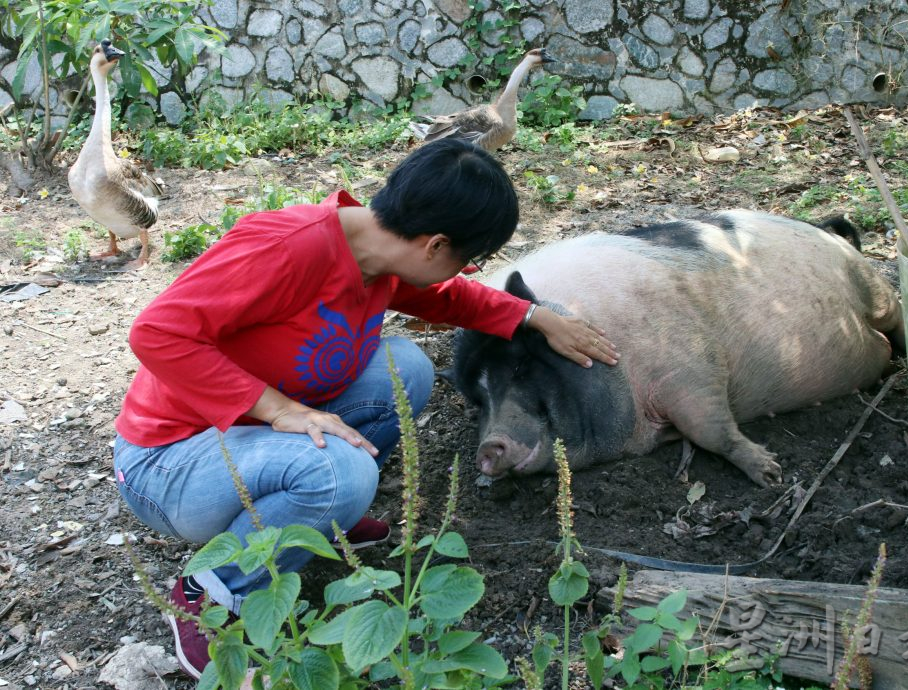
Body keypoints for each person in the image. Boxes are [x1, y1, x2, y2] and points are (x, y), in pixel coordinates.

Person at [112, 138, 619, 679]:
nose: (467, 268)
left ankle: (318, 514)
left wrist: (534, 317)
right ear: (436, 243)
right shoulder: (289, 247)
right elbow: (157, 332)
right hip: (169, 463)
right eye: (470, 256)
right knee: (342, 474)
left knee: (406, 368)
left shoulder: (377, 255)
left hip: (243, 438)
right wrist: (282, 410)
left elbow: (450, 298)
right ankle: (211, 590)